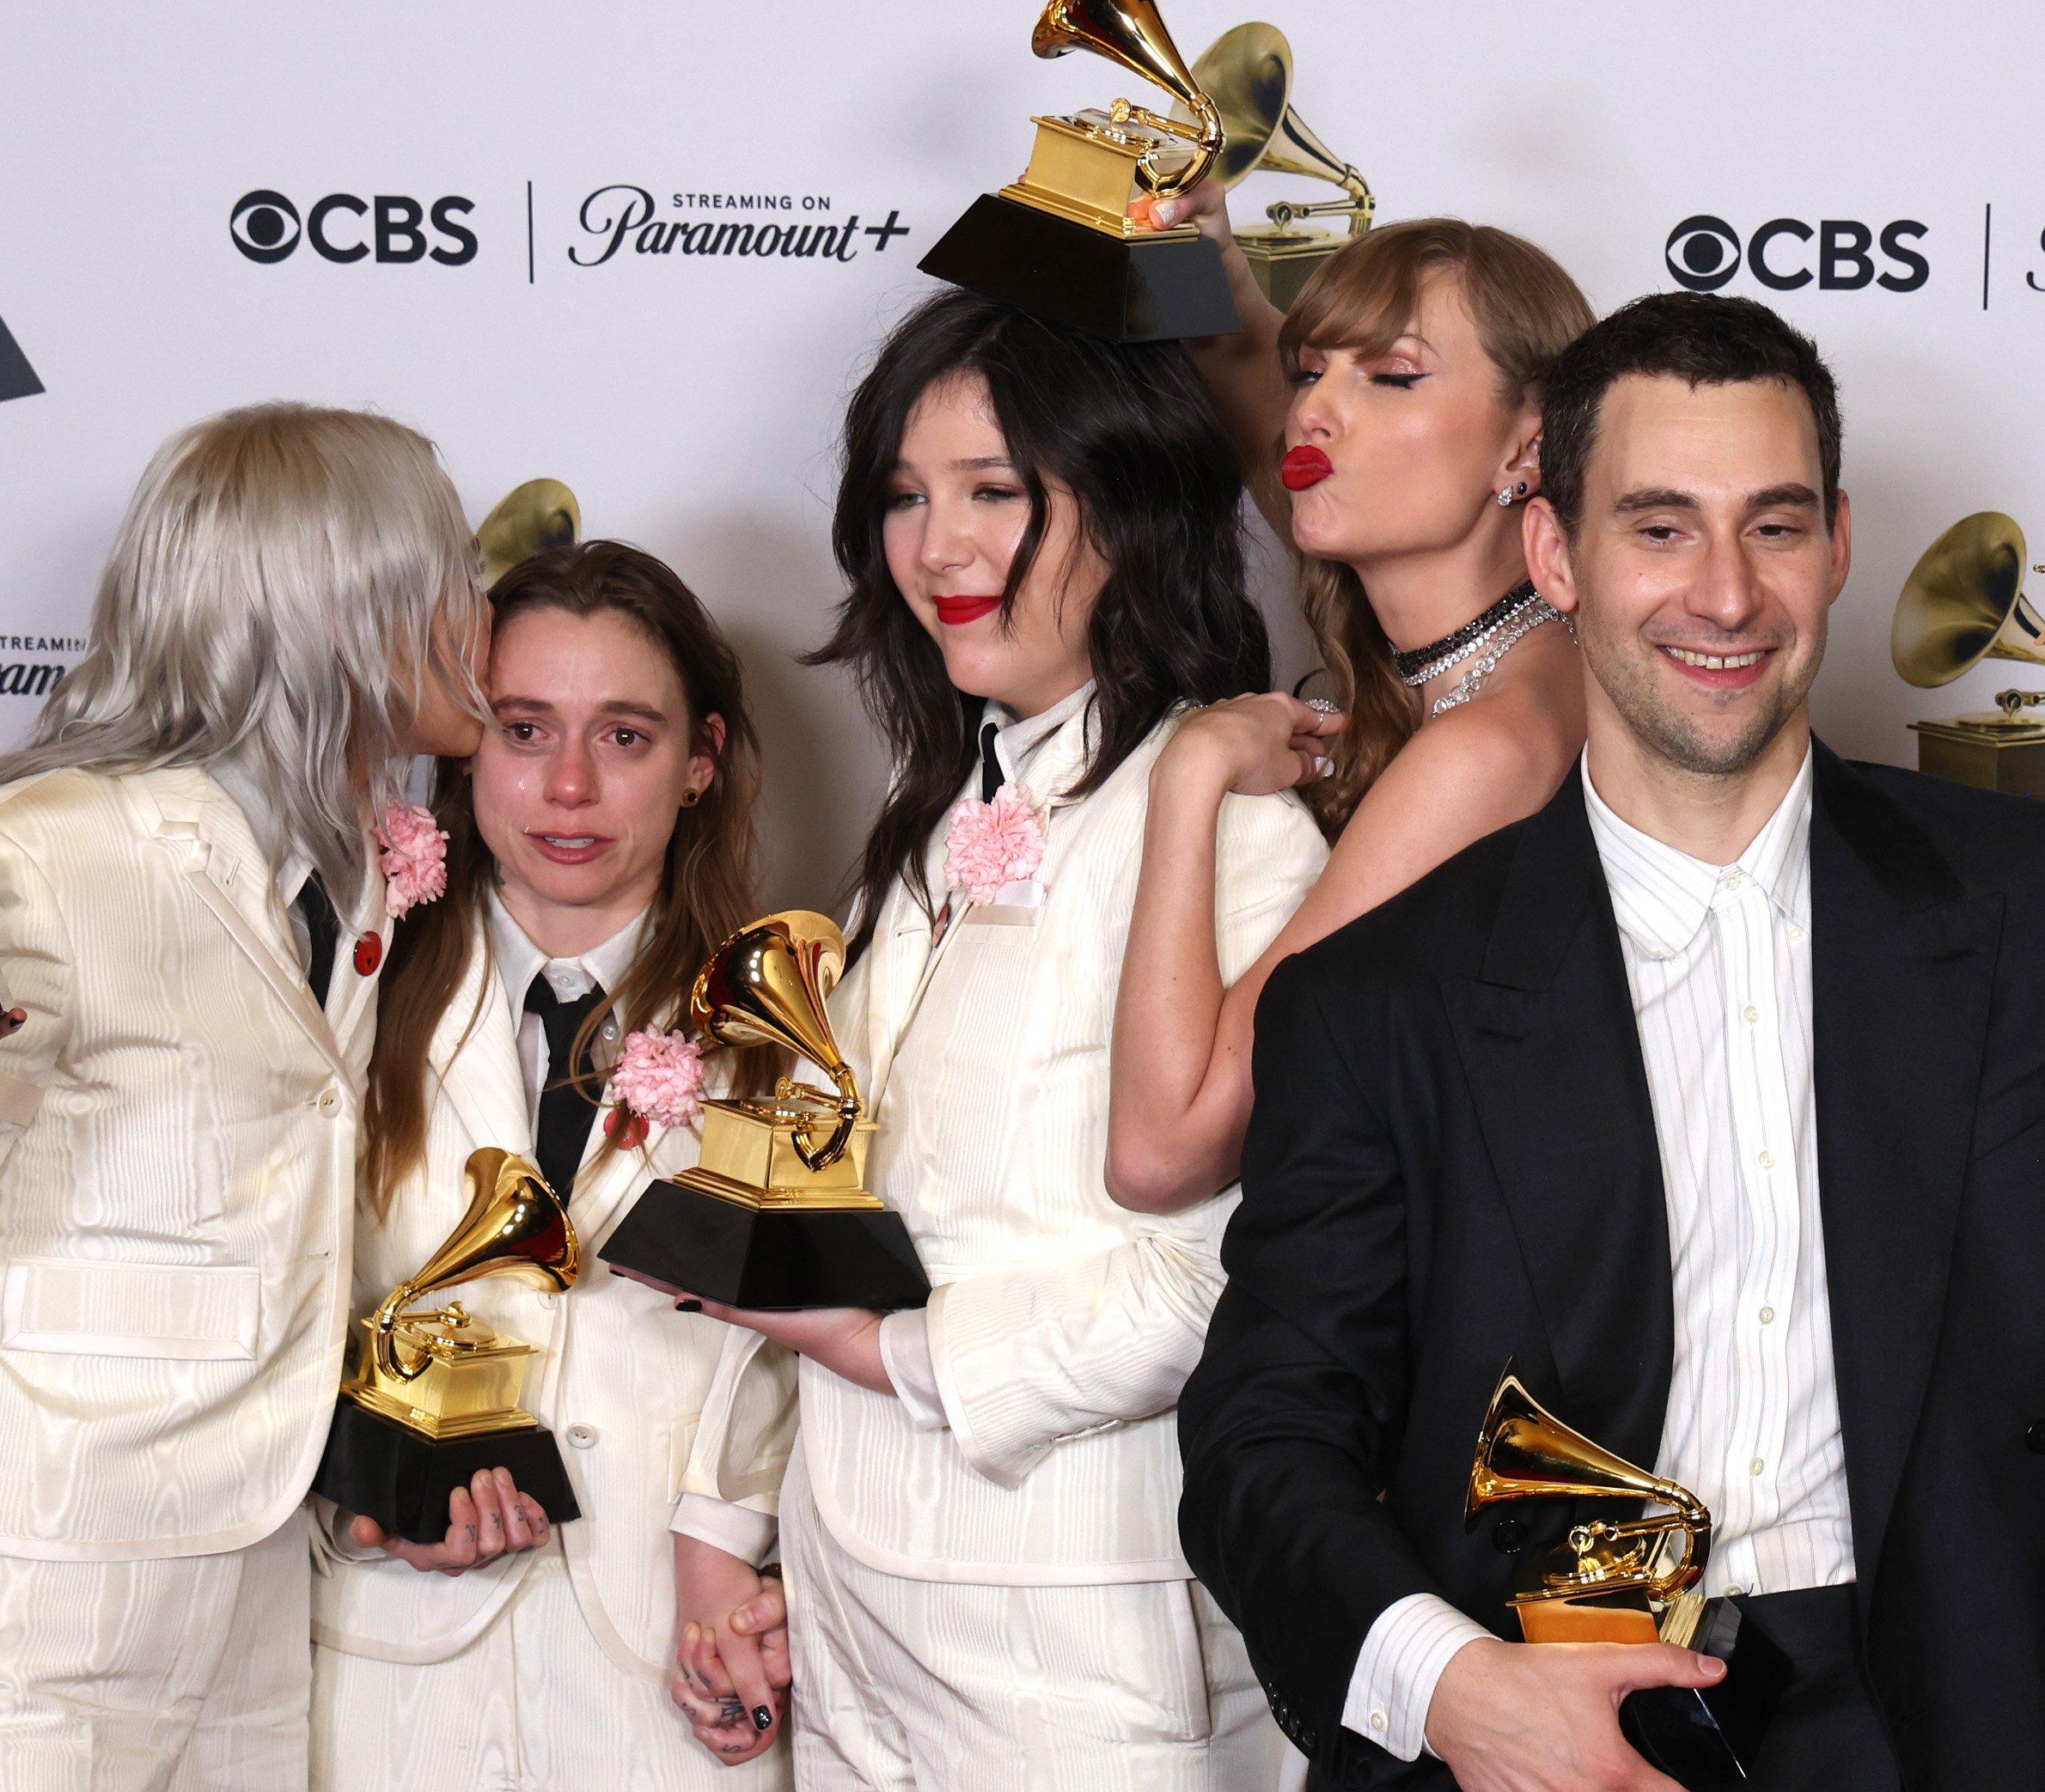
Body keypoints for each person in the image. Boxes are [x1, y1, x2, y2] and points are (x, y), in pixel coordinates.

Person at [1176, 291, 2045, 1791]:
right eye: (1656, 526)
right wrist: (1450, 1690)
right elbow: (1261, 1436)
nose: (1722, 593)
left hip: (2003, 1710)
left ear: (1833, 544)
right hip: (1564, 1733)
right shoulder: (1382, 998)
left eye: (1768, 527)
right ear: (1553, 553)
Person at [0, 404, 491, 1789]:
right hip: (24, 1605)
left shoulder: (362, 872)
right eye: (448, 575)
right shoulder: (30, 854)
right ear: (340, 607)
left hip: (251, 1605)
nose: (476, 613)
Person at [664, 287, 1330, 1789]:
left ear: (1129, 507)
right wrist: (722, 1527)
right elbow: (820, 1211)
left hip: (1087, 1647)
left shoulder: (1229, 834)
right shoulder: (930, 825)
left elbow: (1217, 1277)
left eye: (993, 493)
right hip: (852, 1624)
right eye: (904, 496)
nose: (937, 546)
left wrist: (896, 1354)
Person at [306, 540, 798, 1786]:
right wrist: (358, 1496)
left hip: (674, 1680)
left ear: (701, 762)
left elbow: (806, 1349)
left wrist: (731, 1539)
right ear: (464, 747)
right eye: (524, 730)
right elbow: (259, 1310)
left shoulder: (790, 1028)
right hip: (384, 1684)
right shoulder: (335, 1007)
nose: (568, 786)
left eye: (625, 737)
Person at [1106, 207, 1594, 1212]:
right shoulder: (1498, 664)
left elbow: (1164, 1154)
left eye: (1394, 376)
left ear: (1527, 447)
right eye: (1310, 370)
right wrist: (1202, 256)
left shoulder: (1486, 749)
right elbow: (1252, 385)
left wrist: (1187, 776)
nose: (1313, 416)